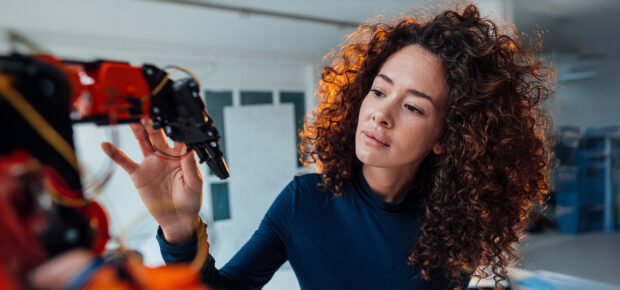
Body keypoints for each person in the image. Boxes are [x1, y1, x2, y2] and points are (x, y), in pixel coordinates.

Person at [102, 3, 554, 289]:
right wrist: (180, 232)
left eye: (414, 107)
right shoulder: (304, 203)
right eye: (379, 91)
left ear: (447, 136)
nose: (381, 113)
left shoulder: (456, 221)